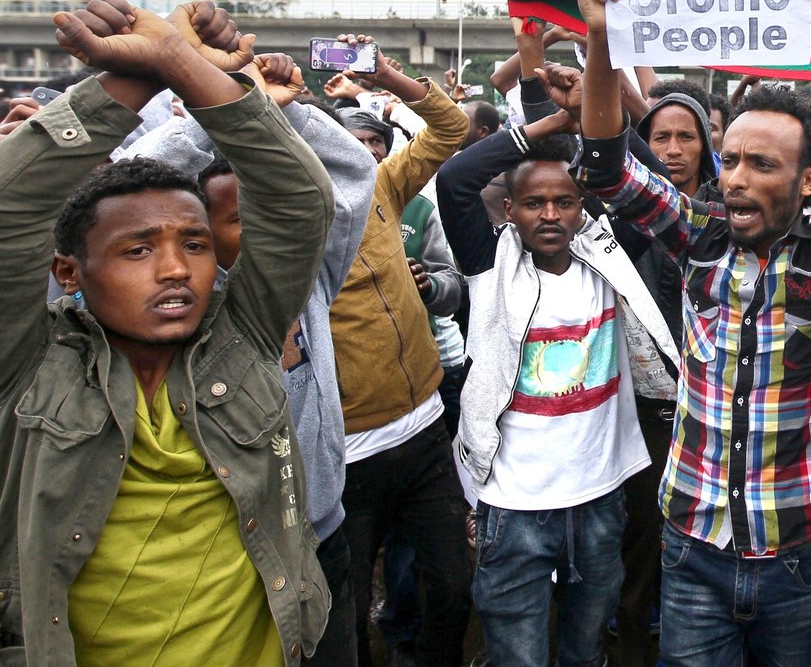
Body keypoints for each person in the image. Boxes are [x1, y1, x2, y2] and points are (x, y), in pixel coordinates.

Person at [575, 0, 811, 666]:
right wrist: (600, 38)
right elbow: (604, 171)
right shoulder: (698, 233)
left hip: (797, 549)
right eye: (727, 160)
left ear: (809, 183)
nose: (732, 179)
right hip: (691, 542)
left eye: (761, 165)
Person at [0, 0, 335, 664]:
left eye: (195, 243)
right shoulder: (28, 363)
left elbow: (300, 201)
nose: (176, 270)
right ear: (68, 271)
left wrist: (176, 59)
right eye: (137, 250)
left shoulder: (243, 333)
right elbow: (11, 205)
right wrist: (136, 76)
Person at [120, 53, 377, 666]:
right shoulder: (164, 312)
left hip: (320, 534)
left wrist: (281, 106)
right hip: (218, 559)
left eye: (279, 213)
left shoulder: (310, 280)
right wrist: (222, 107)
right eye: (240, 218)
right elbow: (128, 181)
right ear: (198, 233)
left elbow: (351, 173)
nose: (270, 231)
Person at [437, 104, 678, 667]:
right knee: (517, 652)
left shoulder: (608, 255)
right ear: (510, 210)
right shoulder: (487, 263)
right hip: (514, 504)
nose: (549, 214)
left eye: (564, 201)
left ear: (582, 209)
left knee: (585, 647)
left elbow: (658, 190)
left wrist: (599, 119)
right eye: (533, 203)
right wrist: (547, 128)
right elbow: (454, 178)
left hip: (599, 498)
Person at [328, 35, 473, 667]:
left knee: (452, 584)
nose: (359, 160)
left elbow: (450, 126)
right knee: (345, 602)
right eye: (342, 150)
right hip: (346, 450)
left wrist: (385, 73)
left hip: (424, 430)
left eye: (369, 148)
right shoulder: (281, 224)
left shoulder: (386, 188)